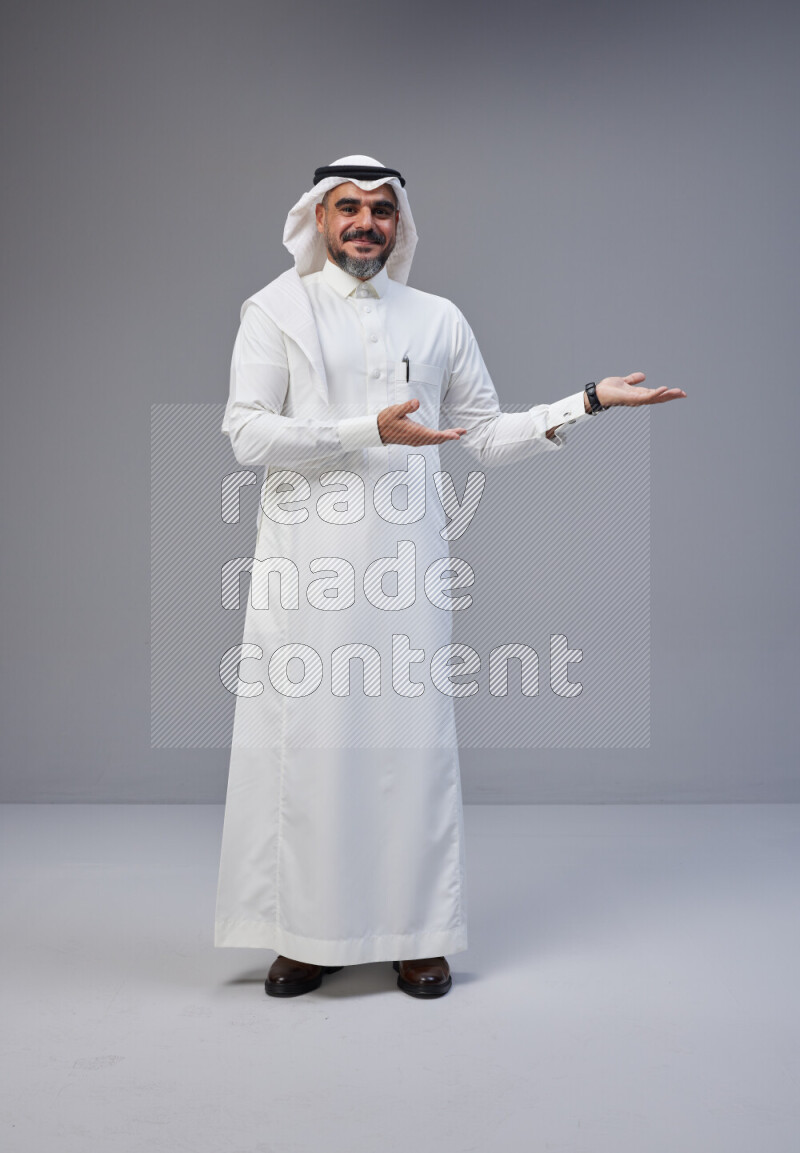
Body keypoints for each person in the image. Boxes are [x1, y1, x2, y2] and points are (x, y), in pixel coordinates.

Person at [214, 154, 686, 1000]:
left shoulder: (437, 318)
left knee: (409, 753)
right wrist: (368, 431)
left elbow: (487, 435)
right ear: (318, 220)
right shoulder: (274, 309)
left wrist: (588, 401)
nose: (366, 223)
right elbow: (247, 434)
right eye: (349, 207)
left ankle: (417, 934)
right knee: (312, 753)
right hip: (305, 575)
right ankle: (307, 936)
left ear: (400, 225)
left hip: (406, 573)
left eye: (382, 210)